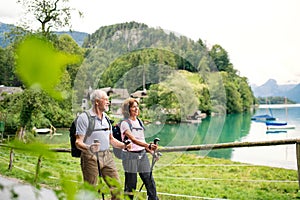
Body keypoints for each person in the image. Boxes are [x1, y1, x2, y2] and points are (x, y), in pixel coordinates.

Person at [75, 89, 130, 200]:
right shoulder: (84, 118)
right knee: (91, 191)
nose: (108, 102)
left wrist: (124, 145)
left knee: (118, 190)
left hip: (107, 156)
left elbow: (111, 139)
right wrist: (89, 148)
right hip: (90, 157)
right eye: (105, 99)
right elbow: (78, 142)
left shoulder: (106, 119)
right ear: (96, 101)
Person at [120, 98, 159, 200]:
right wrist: (148, 146)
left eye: (137, 106)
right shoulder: (125, 123)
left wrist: (151, 152)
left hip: (142, 154)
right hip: (130, 156)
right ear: (127, 109)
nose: (136, 109)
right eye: (133, 107)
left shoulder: (139, 122)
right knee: (131, 184)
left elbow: (142, 141)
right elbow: (133, 139)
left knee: (149, 181)